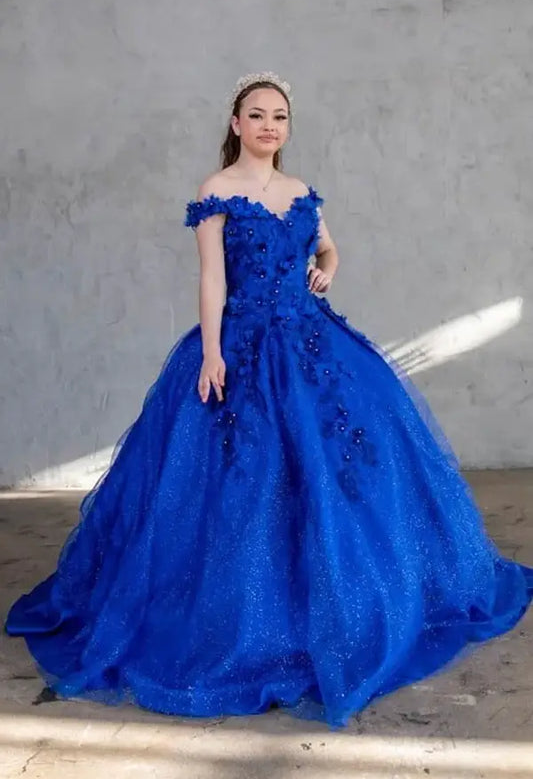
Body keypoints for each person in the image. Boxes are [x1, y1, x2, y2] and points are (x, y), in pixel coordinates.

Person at [5, 71, 533, 731]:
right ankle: (247, 619)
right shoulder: (216, 191)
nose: (268, 126)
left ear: (287, 126)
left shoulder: (301, 192)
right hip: (243, 345)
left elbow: (329, 246)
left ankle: (346, 604)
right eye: (256, 115)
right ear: (235, 124)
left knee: (336, 473)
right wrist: (211, 351)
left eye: (279, 116)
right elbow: (210, 276)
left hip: (313, 343)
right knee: (240, 484)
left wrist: (326, 268)